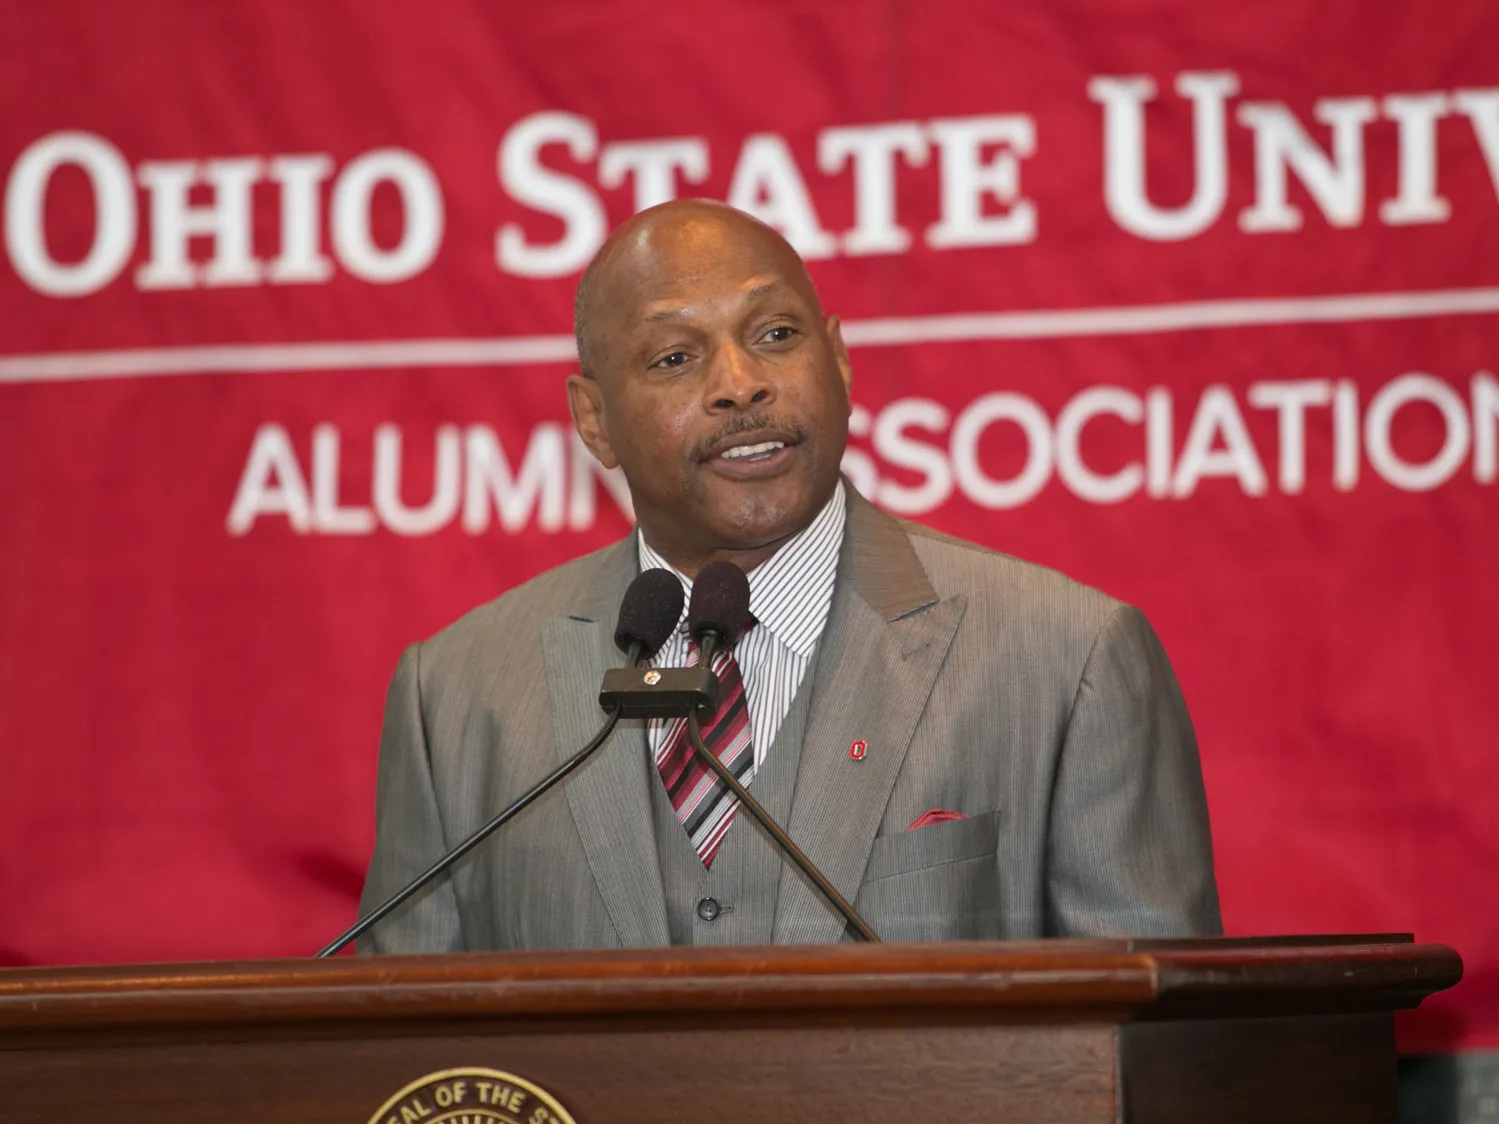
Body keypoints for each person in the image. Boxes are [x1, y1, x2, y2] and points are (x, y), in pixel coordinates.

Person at [358, 200, 1221, 952]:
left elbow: (1146, 1054)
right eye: (674, 359)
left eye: (775, 336)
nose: (741, 385)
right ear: (594, 420)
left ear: (838, 361)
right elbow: (404, 1058)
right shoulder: (458, 696)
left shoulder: (1065, 660)